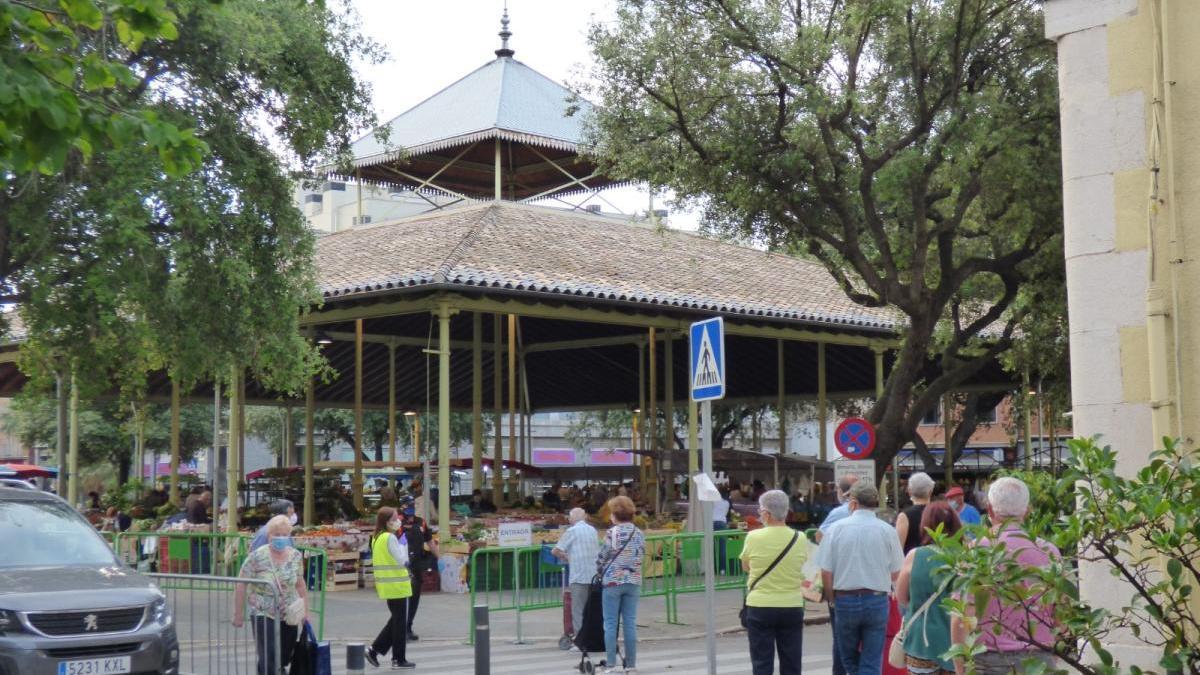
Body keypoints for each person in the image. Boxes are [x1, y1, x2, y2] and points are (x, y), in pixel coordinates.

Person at [950, 477, 1060, 674]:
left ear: (989, 510)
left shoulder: (975, 552)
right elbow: (1060, 613)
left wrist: (961, 668)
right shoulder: (1050, 552)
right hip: (1039, 659)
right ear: (1027, 511)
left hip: (988, 660)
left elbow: (962, 616)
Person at [819, 481, 905, 675]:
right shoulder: (887, 530)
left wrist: (832, 600)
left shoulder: (836, 529)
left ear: (853, 502)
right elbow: (895, 572)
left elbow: (826, 570)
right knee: (872, 658)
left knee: (847, 656)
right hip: (876, 599)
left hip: (845, 598)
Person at [741, 489, 809, 675]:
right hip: (792, 604)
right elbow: (803, 565)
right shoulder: (800, 537)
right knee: (792, 661)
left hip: (760, 605)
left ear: (766, 513)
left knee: (762, 662)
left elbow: (746, 567)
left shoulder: (753, 537)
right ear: (786, 511)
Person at [233, 515, 308, 675]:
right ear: (269, 536)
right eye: (276, 534)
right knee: (268, 656)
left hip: (289, 614)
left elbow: (300, 585)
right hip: (263, 612)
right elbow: (241, 583)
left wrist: (305, 614)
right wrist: (238, 614)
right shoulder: (257, 556)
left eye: (284, 534)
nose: (280, 538)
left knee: (284, 655)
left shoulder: (295, 556)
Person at [896, 502, 963, 675]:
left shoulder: (915, 555)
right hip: (957, 642)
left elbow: (901, 598)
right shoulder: (967, 556)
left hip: (921, 641)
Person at [596, 495, 644, 675]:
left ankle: (611, 663)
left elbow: (603, 555)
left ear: (615, 515)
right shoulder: (639, 533)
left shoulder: (613, 533)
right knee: (630, 623)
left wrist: (599, 569)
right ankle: (631, 664)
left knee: (610, 623)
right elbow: (641, 554)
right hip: (633, 581)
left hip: (613, 582)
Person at [817, 475, 859, 675]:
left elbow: (819, 536)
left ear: (842, 492)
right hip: (872, 590)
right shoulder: (879, 518)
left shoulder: (838, 513)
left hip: (841, 584)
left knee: (841, 638)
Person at [365, 507, 415, 669]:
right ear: (387, 522)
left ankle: (374, 650)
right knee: (399, 624)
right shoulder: (390, 538)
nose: (398, 520)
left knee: (395, 621)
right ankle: (398, 659)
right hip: (397, 585)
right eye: (395, 518)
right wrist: (404, 544)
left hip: (386, 585)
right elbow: (402, 560)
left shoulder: (376, 537)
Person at [552, 507, 602, 642]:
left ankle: (580, 641)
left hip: (578, 575)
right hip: (593, 575)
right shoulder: (592, 530)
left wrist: (566, 557)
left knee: (578, 610)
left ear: (572, 519)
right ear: (585, 517)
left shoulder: (572, 531)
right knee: (590, 609)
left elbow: (555, 551)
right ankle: (592, 638)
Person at [400, 499, 436, 641]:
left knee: (414, 598)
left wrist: (440, 558)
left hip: (416, 565)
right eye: (407, 510)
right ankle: (401, 628)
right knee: (402, 599)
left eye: (412, 510)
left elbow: (430, 541)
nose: (410, 515)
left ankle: (408, 626)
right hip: (402, 566)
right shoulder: (397, 523)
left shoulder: (421, 522)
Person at [896, 472, 935, 554]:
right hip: (937, 564)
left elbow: (898, 549)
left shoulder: (904, 516)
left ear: (909, 491)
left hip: (912, 563)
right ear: (931, 491)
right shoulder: (940, 513)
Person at [713, 486, 732, 574]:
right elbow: (726, 513)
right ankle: (722, 569)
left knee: (712, 547)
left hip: (711, 523)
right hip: (722, 523)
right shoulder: (726, 502)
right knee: (722, 547)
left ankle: (713, 567)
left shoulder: (712, 501)